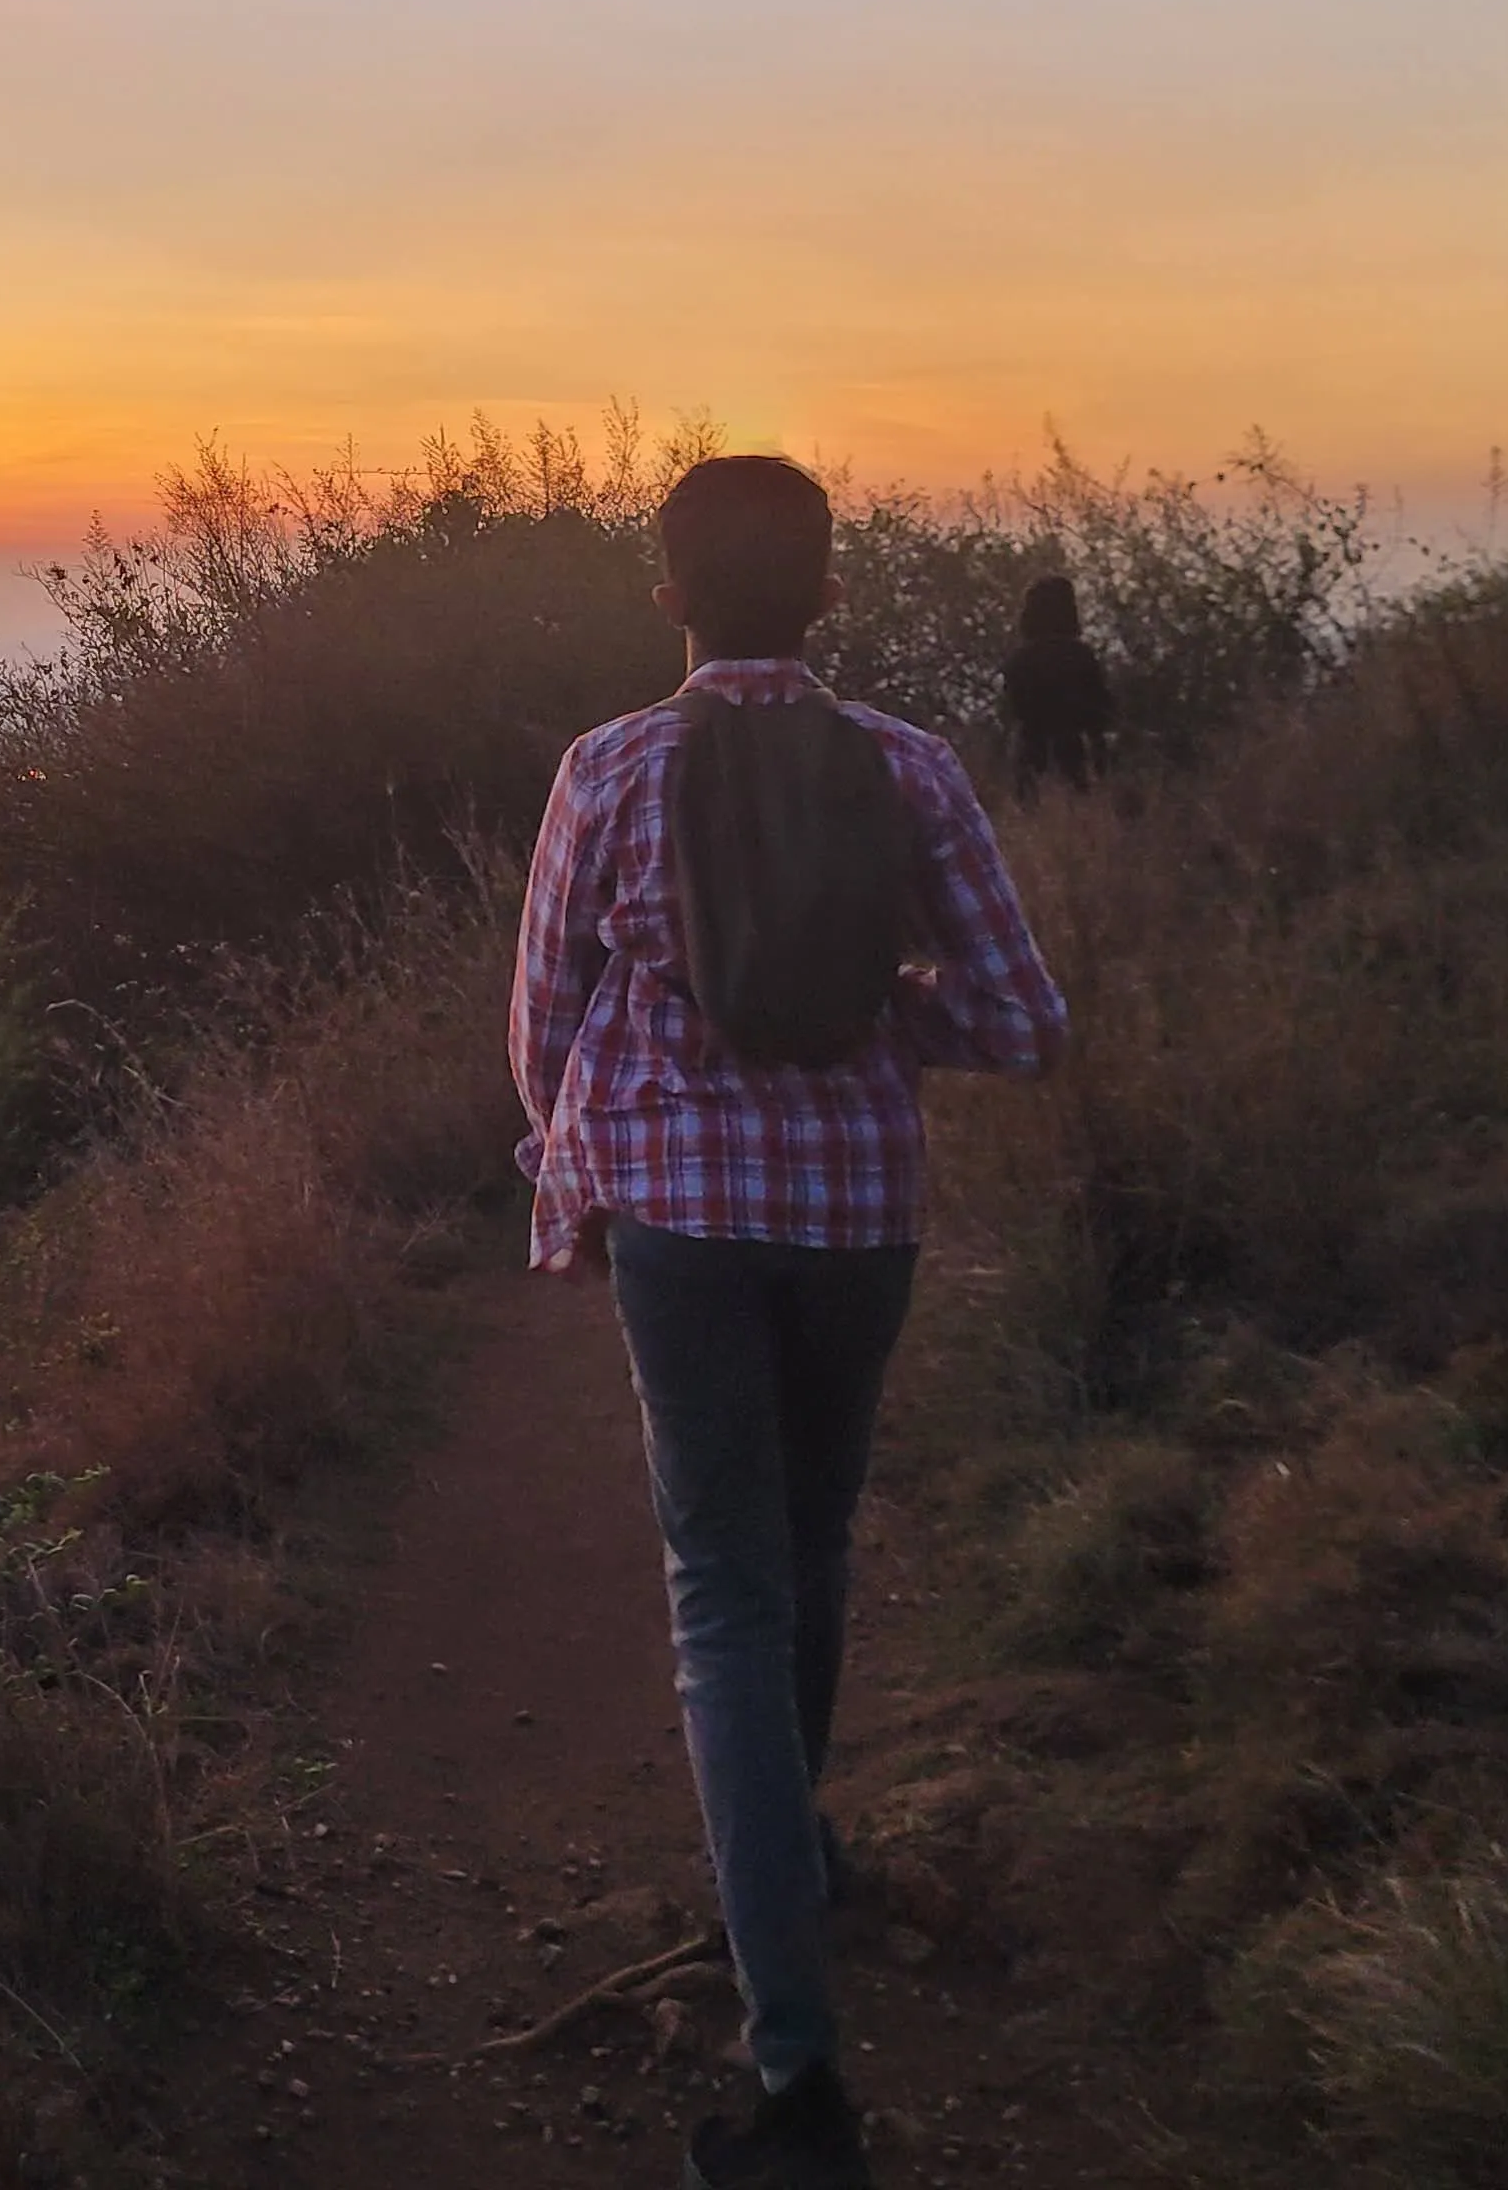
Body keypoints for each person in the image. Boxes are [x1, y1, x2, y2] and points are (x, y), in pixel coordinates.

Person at [512, 456, 1067, 2190]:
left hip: (679, 1215)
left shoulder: (608, 766)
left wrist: (577, 1153)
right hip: (856, 1210)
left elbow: (543, 1020)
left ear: (666, 593)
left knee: (722, 1588)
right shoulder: (906, 767)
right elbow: (1022, 1020)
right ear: (829, 594)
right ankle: (795, 1858)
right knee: (810, 1540)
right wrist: (893, 1009)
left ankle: (796, 2076)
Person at [999, 574, 1113, 796]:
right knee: (1077, 806)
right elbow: (1100, 711)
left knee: (1031, 812)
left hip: (1029, 750)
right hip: (1073, 750)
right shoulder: (1080, 654)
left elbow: (1012, 708)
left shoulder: (1021, 658)